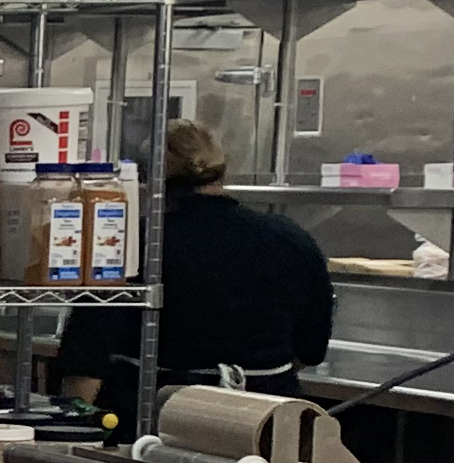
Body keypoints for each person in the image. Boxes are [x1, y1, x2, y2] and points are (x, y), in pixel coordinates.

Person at [65, 119, 331, 412]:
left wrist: (73, 421)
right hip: (268, 416)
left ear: (152, 178)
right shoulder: (290, 238)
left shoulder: (133, 243)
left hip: (158, 416)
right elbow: (311, 347)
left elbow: (88, 354)